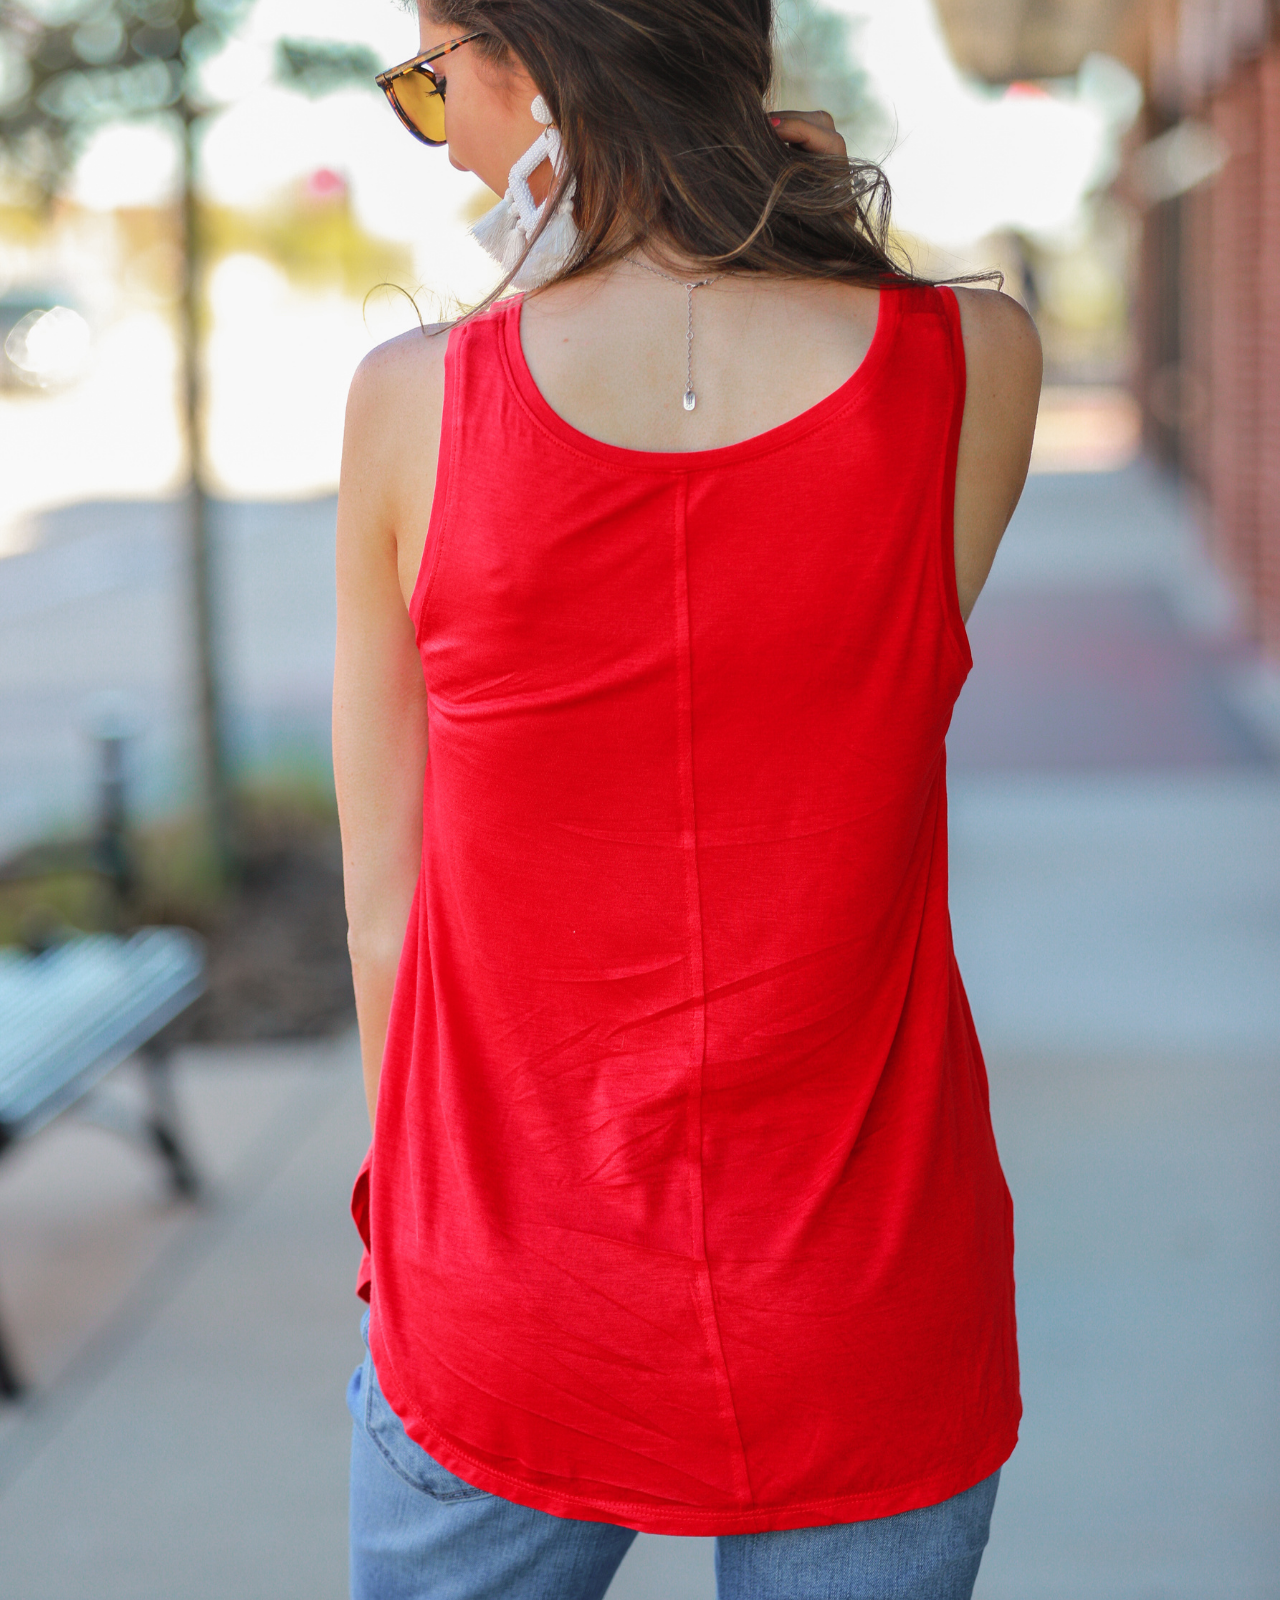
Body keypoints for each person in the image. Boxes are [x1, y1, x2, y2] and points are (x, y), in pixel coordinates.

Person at [333, 0, 1042, 1592]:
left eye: (434, 85)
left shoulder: (413, 405)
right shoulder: (973, 367)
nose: (445, 148)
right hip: (864, 1289)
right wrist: (772, 199)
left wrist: (416, 1249)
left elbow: (387, 915)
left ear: (532, 61)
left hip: (510, 1282)